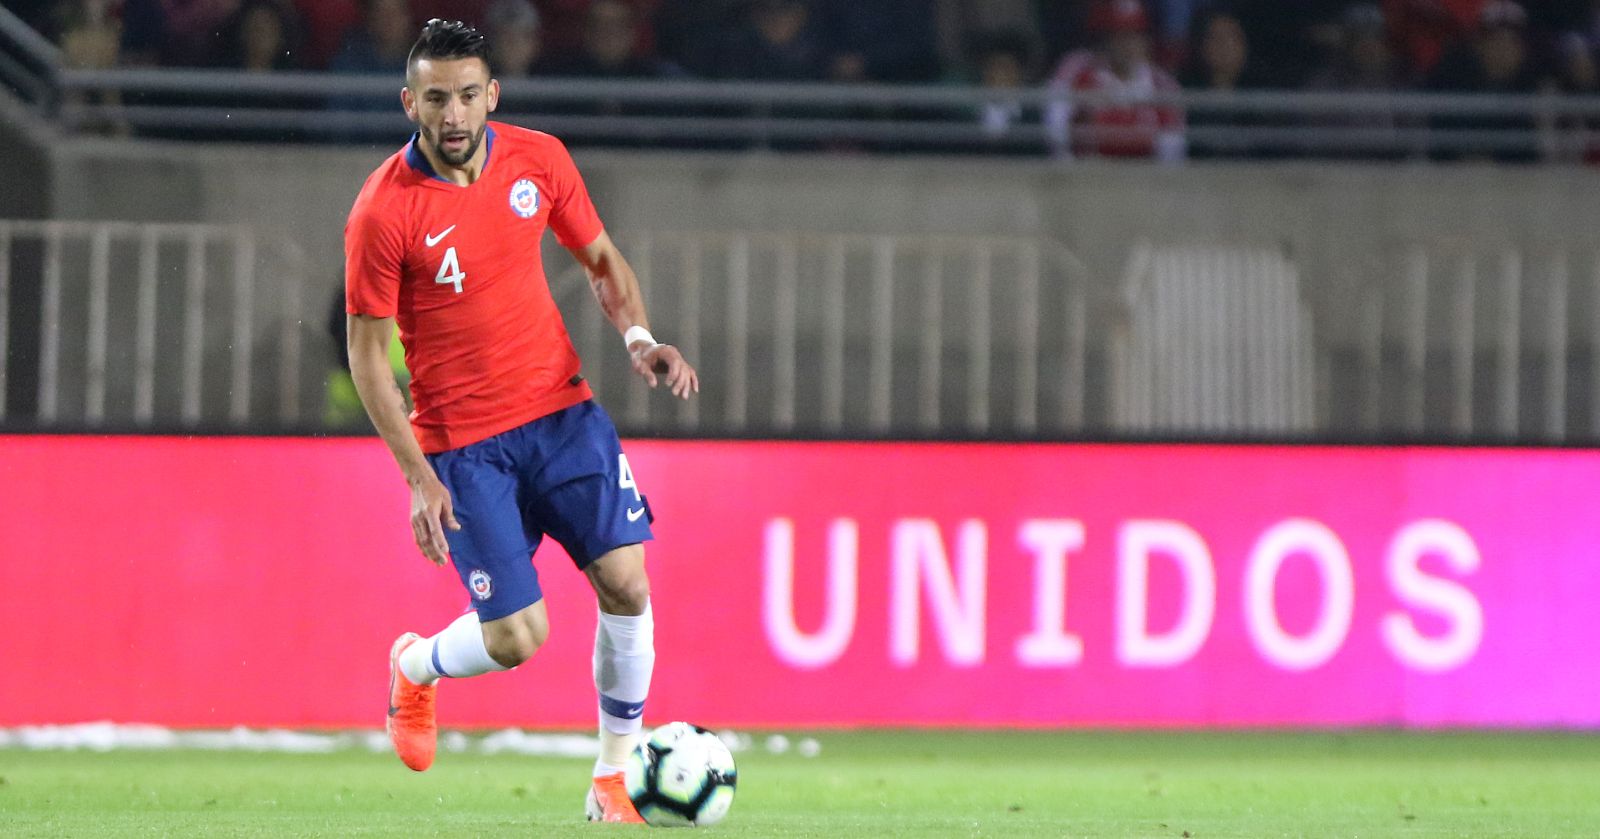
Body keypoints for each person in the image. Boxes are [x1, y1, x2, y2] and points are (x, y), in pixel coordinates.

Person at [342, 18, 699, 825]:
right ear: (409, 104)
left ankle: (612, 777)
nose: (455, 114)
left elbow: (600, 260)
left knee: (627, 582)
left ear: (493, 95)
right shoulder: (382, 212)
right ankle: (417, 665)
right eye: (437, 98)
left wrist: (639, 339)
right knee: (515, 638)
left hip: (562, 414)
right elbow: (367, 360)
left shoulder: (539, 159)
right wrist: (418, 477)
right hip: (465, 444)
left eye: (468, 95)